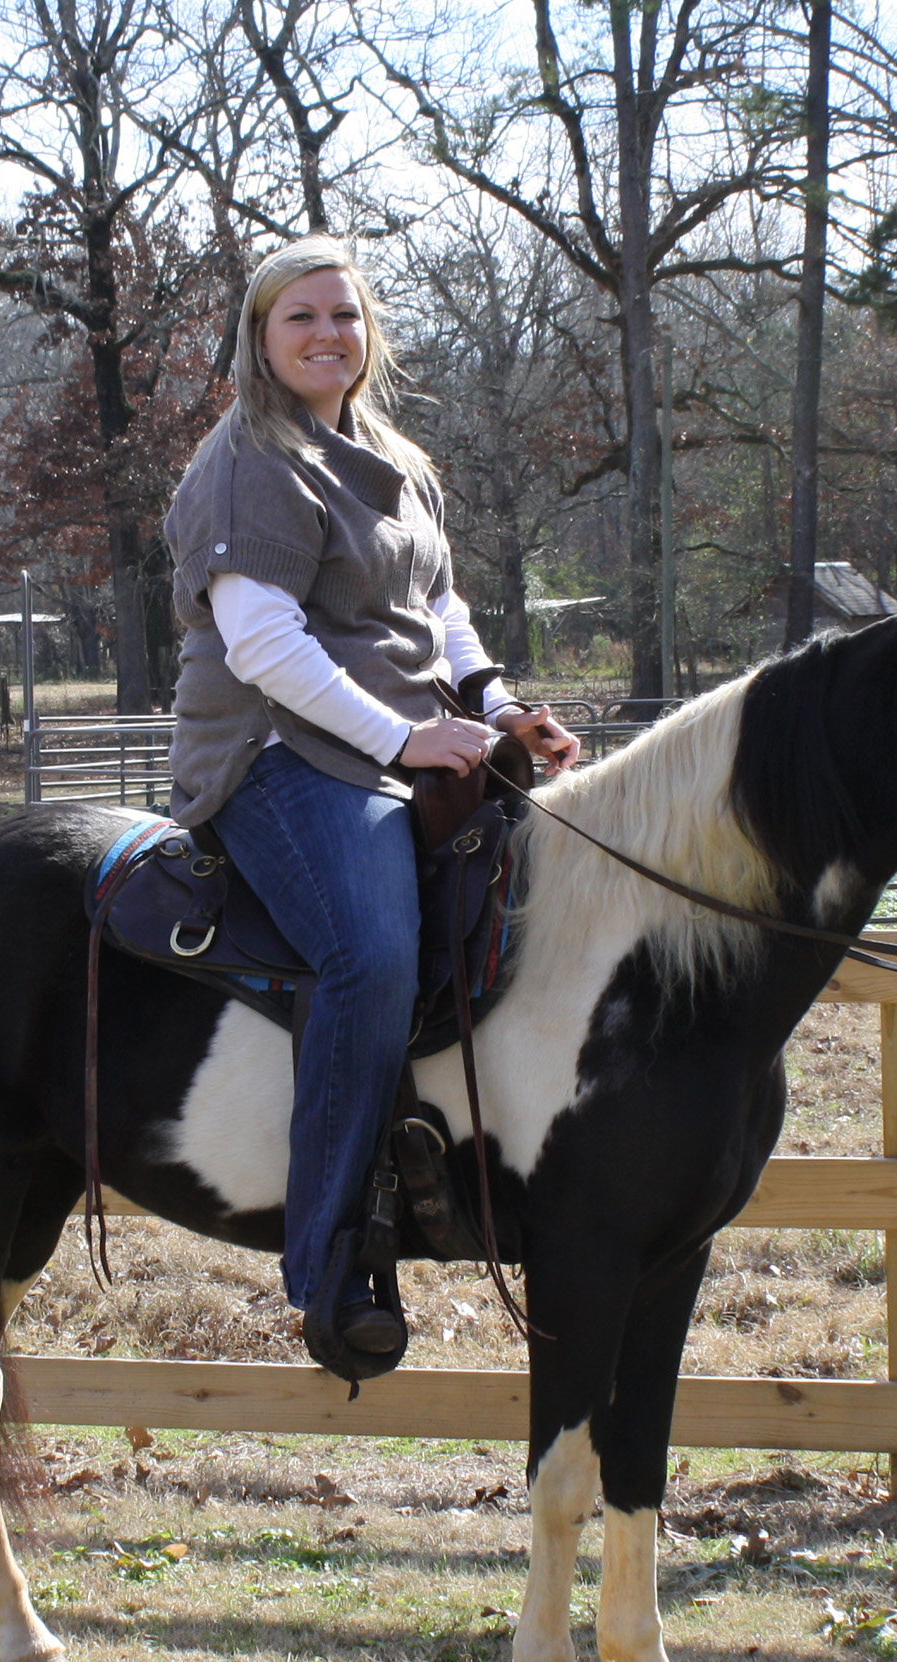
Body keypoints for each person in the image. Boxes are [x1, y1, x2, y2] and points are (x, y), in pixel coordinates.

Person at [163, 235, 580, 1366]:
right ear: (259, 337)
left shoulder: (391, 457)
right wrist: (405, 737)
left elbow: (439, 610)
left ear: (368, 332)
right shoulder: (249, 462)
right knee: (372, 954)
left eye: (343, 315)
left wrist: (497, 707)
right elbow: (262, 644)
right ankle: (332, 1254)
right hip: (275, 750)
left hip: (399, 741)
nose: (326, 335)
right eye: (299, 316)